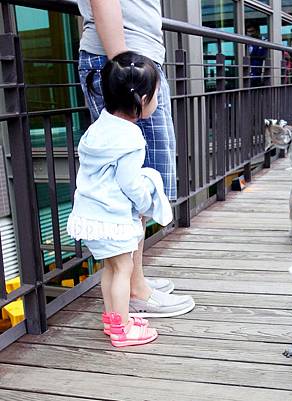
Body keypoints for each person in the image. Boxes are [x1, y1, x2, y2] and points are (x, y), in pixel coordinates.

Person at [77, 0, 195, 318]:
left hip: (133, 62)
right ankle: (134, 291)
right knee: (138, 176)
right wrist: (125, 68)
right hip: (126, 61)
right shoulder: (131, 95)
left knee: (143, 169)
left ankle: (132, 280)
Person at [67, 52, 170, 346]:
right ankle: (123, 328)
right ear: (142, 99)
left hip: (89, 215)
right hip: (111, 218)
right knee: (123, 269)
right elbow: (130, 183)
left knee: (110, 268)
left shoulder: (98, 128)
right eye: (156, 96)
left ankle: (113, 319)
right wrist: (144, 202)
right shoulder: (131, 137)